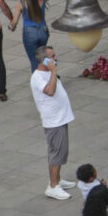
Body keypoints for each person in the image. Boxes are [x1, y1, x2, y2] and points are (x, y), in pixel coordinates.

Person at [30, 45, 76, 201]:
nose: (56, 58)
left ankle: (57, 179)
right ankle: (53, 186)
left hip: (61, 118)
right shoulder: (38, 77)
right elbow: (50, 91)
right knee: (56, 153)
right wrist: (54, 72)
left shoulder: (48, 73)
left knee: (61, 152)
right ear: (44, 60)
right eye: (52, 56)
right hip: (54, 122)